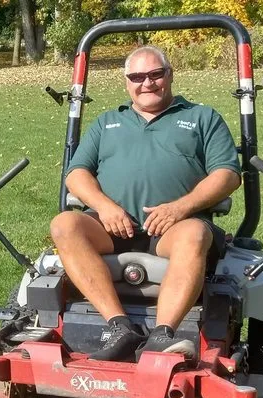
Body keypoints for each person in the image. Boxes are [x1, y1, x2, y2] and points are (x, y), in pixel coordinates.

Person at [50, 46, 241, 362]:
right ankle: (118, 327)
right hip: (109, 227)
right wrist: (104, 206)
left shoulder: (201, 118)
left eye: (155, 74)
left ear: (169, 75)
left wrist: (180, 208)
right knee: (64, 225)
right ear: (127, 82)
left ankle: (163, 335)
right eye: (137, 77)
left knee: (195, 234)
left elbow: (227, 174)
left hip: (174, 229)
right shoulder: (108, 123)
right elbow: (76, 174)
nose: (147, 83)